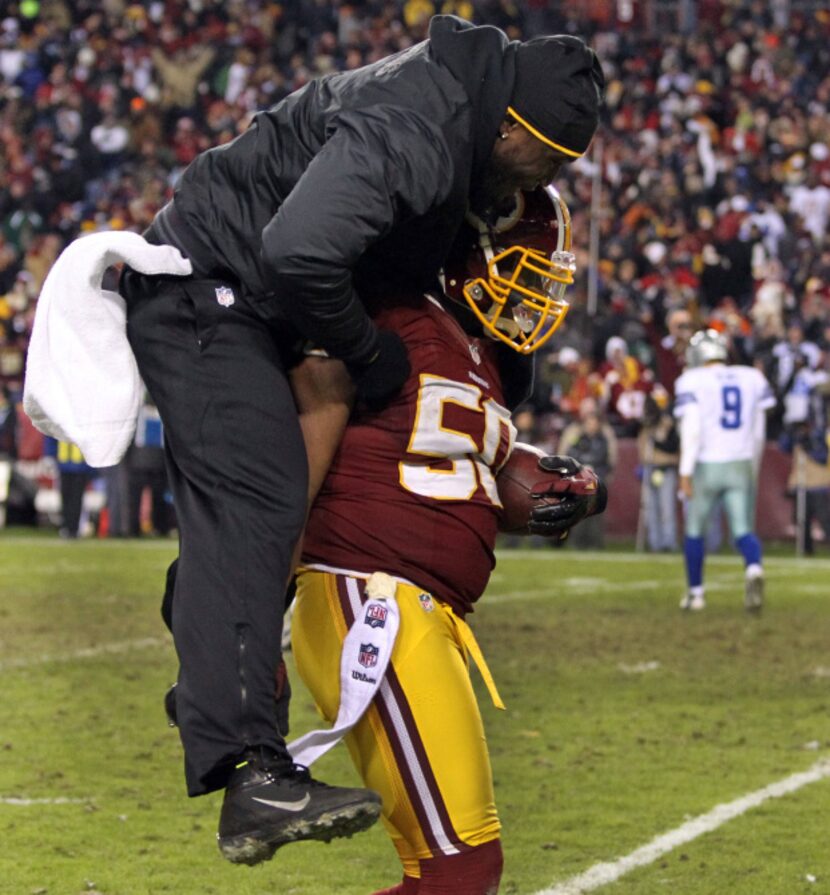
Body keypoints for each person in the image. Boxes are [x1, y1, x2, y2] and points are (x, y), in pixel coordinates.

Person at [118, 15, 604, 866]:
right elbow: (301, 252)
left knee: (260, 508)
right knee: (265, 494)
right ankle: (250, 772)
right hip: (210, 281)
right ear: (510, 129)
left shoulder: (459, 141)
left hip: (257, 290)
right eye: (553, 158)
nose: (552, 179)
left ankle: (207, 642)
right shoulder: (419, 124)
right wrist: (366, 348)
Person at [290, 187, 607, 895]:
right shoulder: (384, 311)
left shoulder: (481, 355)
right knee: (458, 872)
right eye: (524, 269)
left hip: (424, 613)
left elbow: (454, 468)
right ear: (468, 252)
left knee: (457, 871)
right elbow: (300, 453)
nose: (531, 294)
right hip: (370, 598)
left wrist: (554, 491)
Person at [674, 329, 776, 612]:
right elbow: (758, 431)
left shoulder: (691, 380)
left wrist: (685, 472)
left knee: (695, 531)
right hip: (741, 461)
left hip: (707, 464)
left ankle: (696, 594)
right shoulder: (751, 377)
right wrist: (752, 465)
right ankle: (754, 568)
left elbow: (692, 429)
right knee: (743, 529)